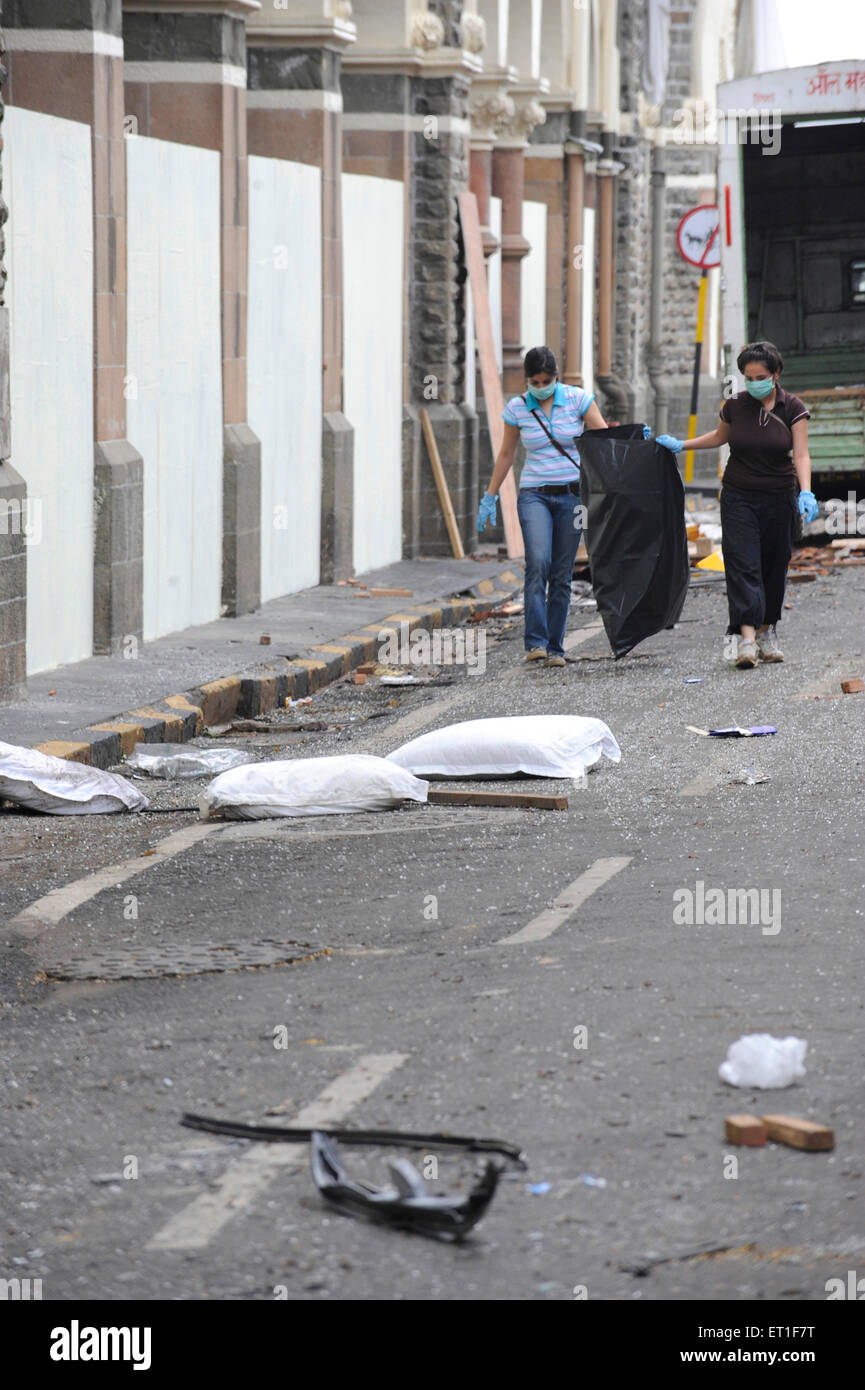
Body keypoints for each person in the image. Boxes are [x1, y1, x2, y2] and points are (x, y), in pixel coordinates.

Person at [656, 340, 816, 669]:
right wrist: (680, 445)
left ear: (776, 374)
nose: (753, 382)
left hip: (779, 497)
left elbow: (801, 453)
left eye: (760, 375)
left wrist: (806, 491)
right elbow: (719, 437)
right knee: (743, 564)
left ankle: (767, 631)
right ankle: (746, 639)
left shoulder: (792, 407)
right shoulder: (734, 405)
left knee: (775, 564)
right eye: (747, 376)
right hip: (739, 495)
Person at [476, 346, 608, 666]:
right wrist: (489, 496)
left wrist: (636, 442)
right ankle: (535, 642)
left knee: (562, 572)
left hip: (573, 497)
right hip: (534, 493)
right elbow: (507, 454)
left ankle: (555, 648)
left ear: (556, 378)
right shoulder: (518, 408)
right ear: (526, 380)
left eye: (545, 380)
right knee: (538, 561)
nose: (540, 387)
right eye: (534, 382)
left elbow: (605, 438)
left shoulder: (578, 400)